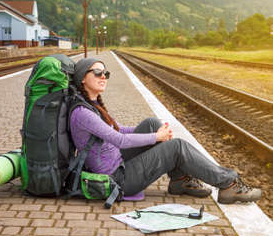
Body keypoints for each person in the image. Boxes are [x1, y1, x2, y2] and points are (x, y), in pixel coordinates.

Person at [70, 57, 262, 204]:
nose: (103, 76)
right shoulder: (83, 113)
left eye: (105, 73)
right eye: (97, 72)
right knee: (176, 147)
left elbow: (118, 129)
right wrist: (157, 137)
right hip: (116, 179)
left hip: (117, 162)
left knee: (152, 122)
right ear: (82, 79)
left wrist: (155, 132)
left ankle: (180, 180)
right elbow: (119, 139)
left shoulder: (91, 105)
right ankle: (228, 185)